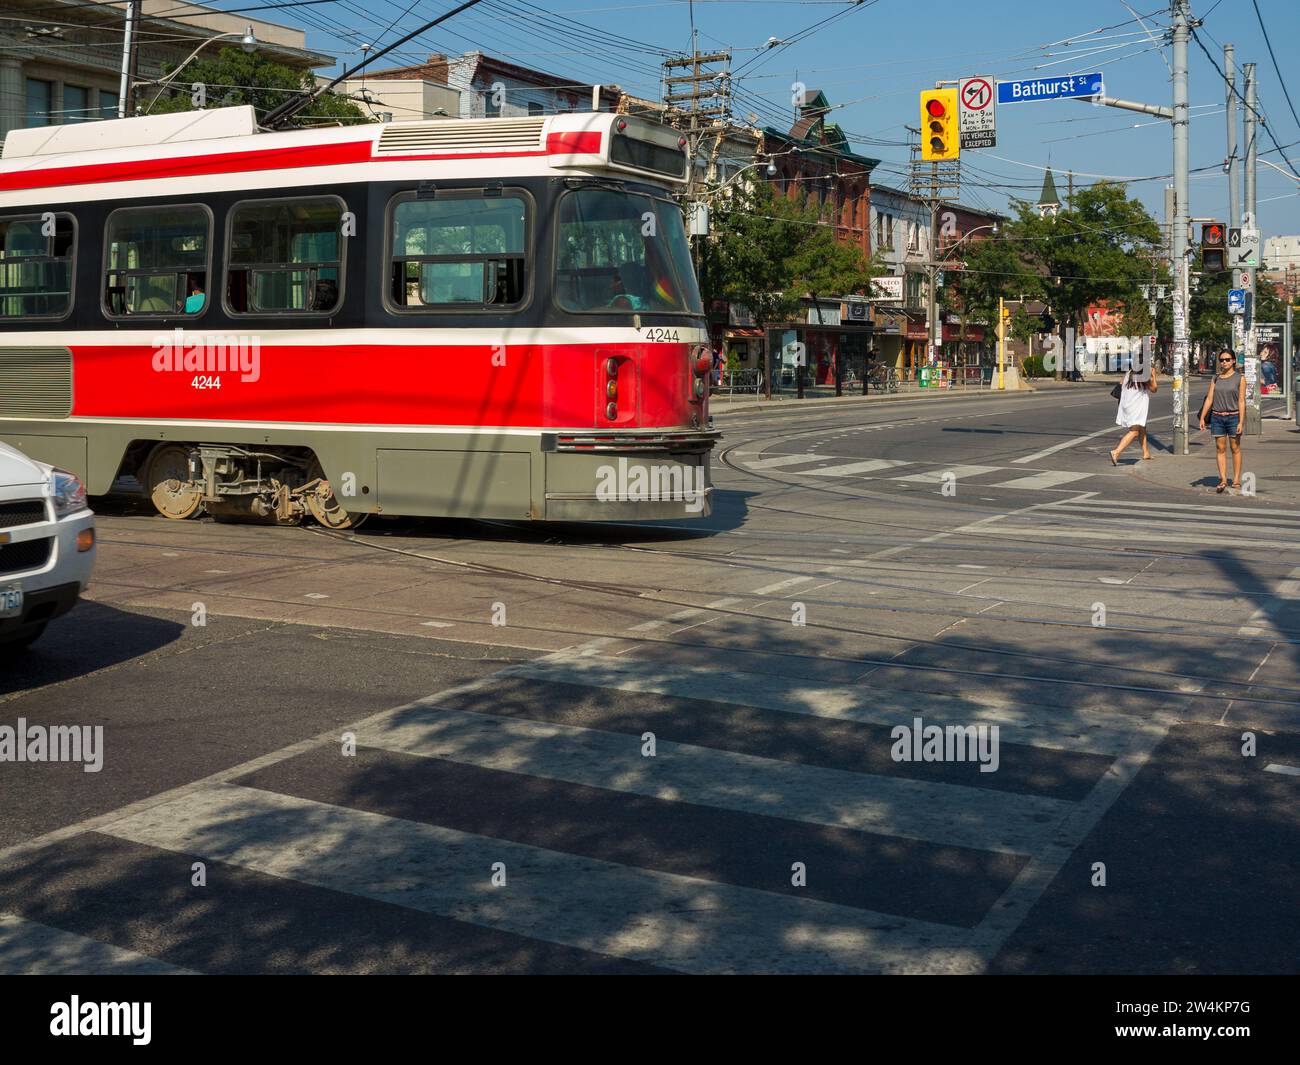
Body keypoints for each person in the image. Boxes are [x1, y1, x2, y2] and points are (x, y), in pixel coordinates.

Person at [1198, 347, 1246, 493]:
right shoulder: (1215, 378)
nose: (1224, 362)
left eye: (1227, 360)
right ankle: (1223, 479)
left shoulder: (1240, 378)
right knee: (1220, 448)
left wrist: (1240, 422)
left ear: (1233, 361)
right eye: (1221, 360)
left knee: (1235, 448)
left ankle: (1236, 479)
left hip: (1233, 416)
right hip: (1217, 417)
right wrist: (1202, 417)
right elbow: (1210, 398)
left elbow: (1242, 401)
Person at [1109, 359, 1158, 465]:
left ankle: (1146, 453)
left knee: (1142, 428)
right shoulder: (1143, 378)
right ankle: (1116, 452)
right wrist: (1154, 376)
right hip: (1135, 408)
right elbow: (1154, 389)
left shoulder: (1129, 373)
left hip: (1126, 405)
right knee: (1134, 432)